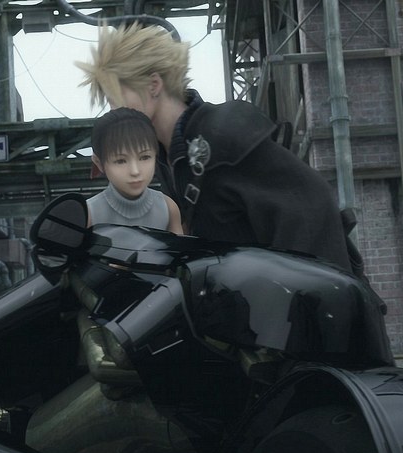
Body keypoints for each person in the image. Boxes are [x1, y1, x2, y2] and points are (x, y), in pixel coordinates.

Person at [76, 22, 353, 272]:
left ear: (153, 85)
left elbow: (312, 206)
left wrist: (302, 301)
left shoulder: (224, 135)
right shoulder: (164, 161)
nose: (113, 110)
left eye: (115, 96)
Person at [87, 106, 183, 234]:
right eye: (121, 161)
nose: (135, 171)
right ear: (99, 163)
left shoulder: (168, 209)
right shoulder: (88, 214)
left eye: (144, 157)